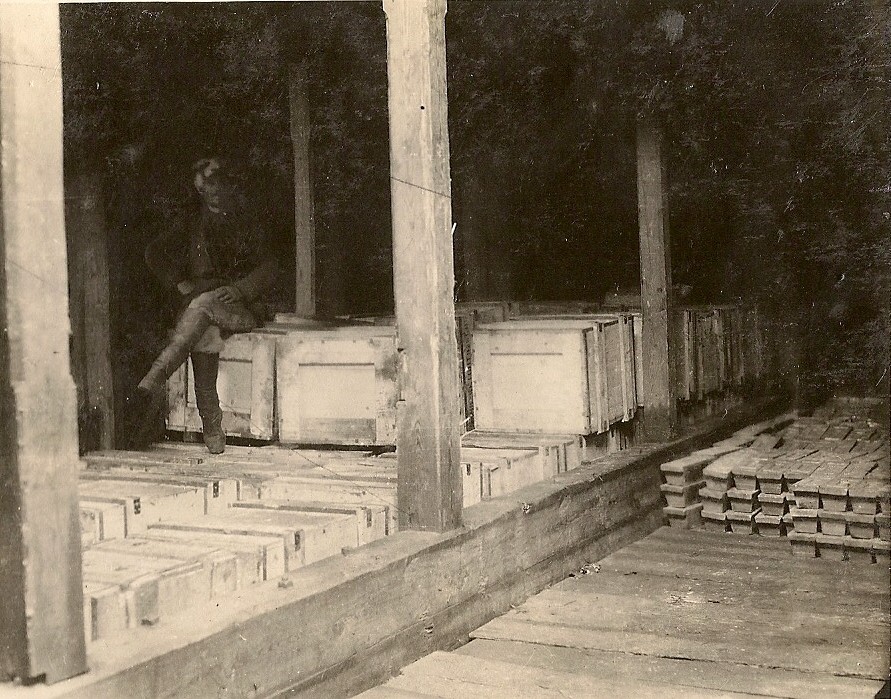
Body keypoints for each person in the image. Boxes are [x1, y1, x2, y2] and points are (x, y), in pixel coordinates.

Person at [125, 157, 279, 453]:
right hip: (201, 308)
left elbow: (271, 267)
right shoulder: (193, 222)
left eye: (215, 183)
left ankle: (152, 380)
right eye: (203, 188)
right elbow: (153, 252)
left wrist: (239, 289)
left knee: (203, 305)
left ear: (227, 183)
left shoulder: (246, 221)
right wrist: (177, 281)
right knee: (205, 337)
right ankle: (213, 431)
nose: (211, 192)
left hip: (241, 308)